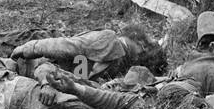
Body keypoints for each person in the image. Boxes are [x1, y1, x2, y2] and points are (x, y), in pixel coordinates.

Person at [49, 11, 214, 109]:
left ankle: (74, 89)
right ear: (213, 48)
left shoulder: (182, 70)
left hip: (136, 106)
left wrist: (76, 88)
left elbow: (120, 101)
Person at [9, 22, 168, 83]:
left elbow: (82, 71)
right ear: (138, 42)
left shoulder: (124, 62)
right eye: (143, 47)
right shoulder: (111, 41)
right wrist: (30, 48)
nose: (141, 53)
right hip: (39, 65)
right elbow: (69, 46)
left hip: (57, 80)